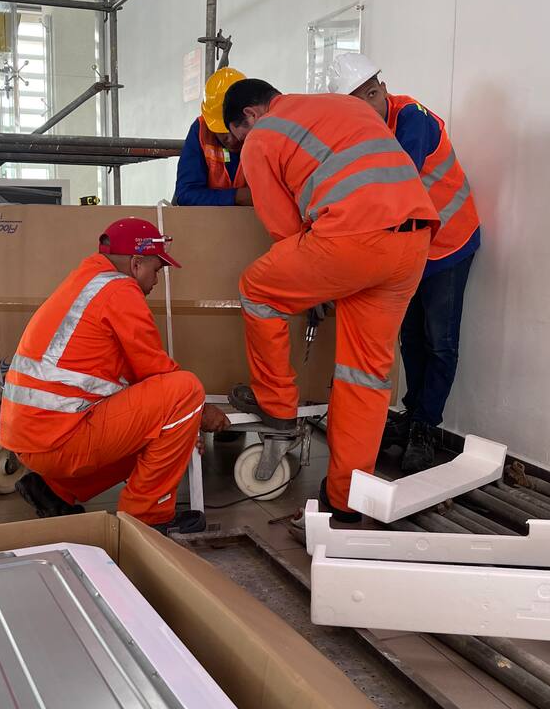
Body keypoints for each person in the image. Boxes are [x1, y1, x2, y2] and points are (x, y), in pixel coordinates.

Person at [222, 78, 439, 523]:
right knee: (364, 374)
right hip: (413, 242)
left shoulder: (262, 136)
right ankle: (346, 500)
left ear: (249, 115)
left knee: (257, 289)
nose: (239, 145)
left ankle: (276, 405)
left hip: (351, 238)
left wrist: (313, 287)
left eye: (235, 136)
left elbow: (284, 230)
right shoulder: (347, 106)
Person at [0, 217, 229, 533]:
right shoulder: (120, 290)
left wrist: (182, 430)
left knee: (160, 426)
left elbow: (132, 383)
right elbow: (156, 370)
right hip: (58, 441)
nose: (157, 281)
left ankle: (53, 491)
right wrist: (201, 412)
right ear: (136, 264)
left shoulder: (84, 281)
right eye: (156, 270)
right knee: (186, 391)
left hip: (31, 437)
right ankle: (147, 519)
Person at [328, 52, 482, 473]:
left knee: (439, 340)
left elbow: (395, 185)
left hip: (448, 243)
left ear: (381, 88)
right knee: (411, 339)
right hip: (409, 250)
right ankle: (413, 412)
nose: (366, 107)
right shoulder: (361, 133)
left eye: (370, 95)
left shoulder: (411, 118)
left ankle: (426, 426)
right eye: (355, 103)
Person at [174, 67, 253, 207]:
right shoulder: (201, 130)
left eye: (237, 127)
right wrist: (237, 196)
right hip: (212, 219)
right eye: (222, 131)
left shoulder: (266, 130)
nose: (232, 138)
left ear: (250, 114)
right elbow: (186, 193)